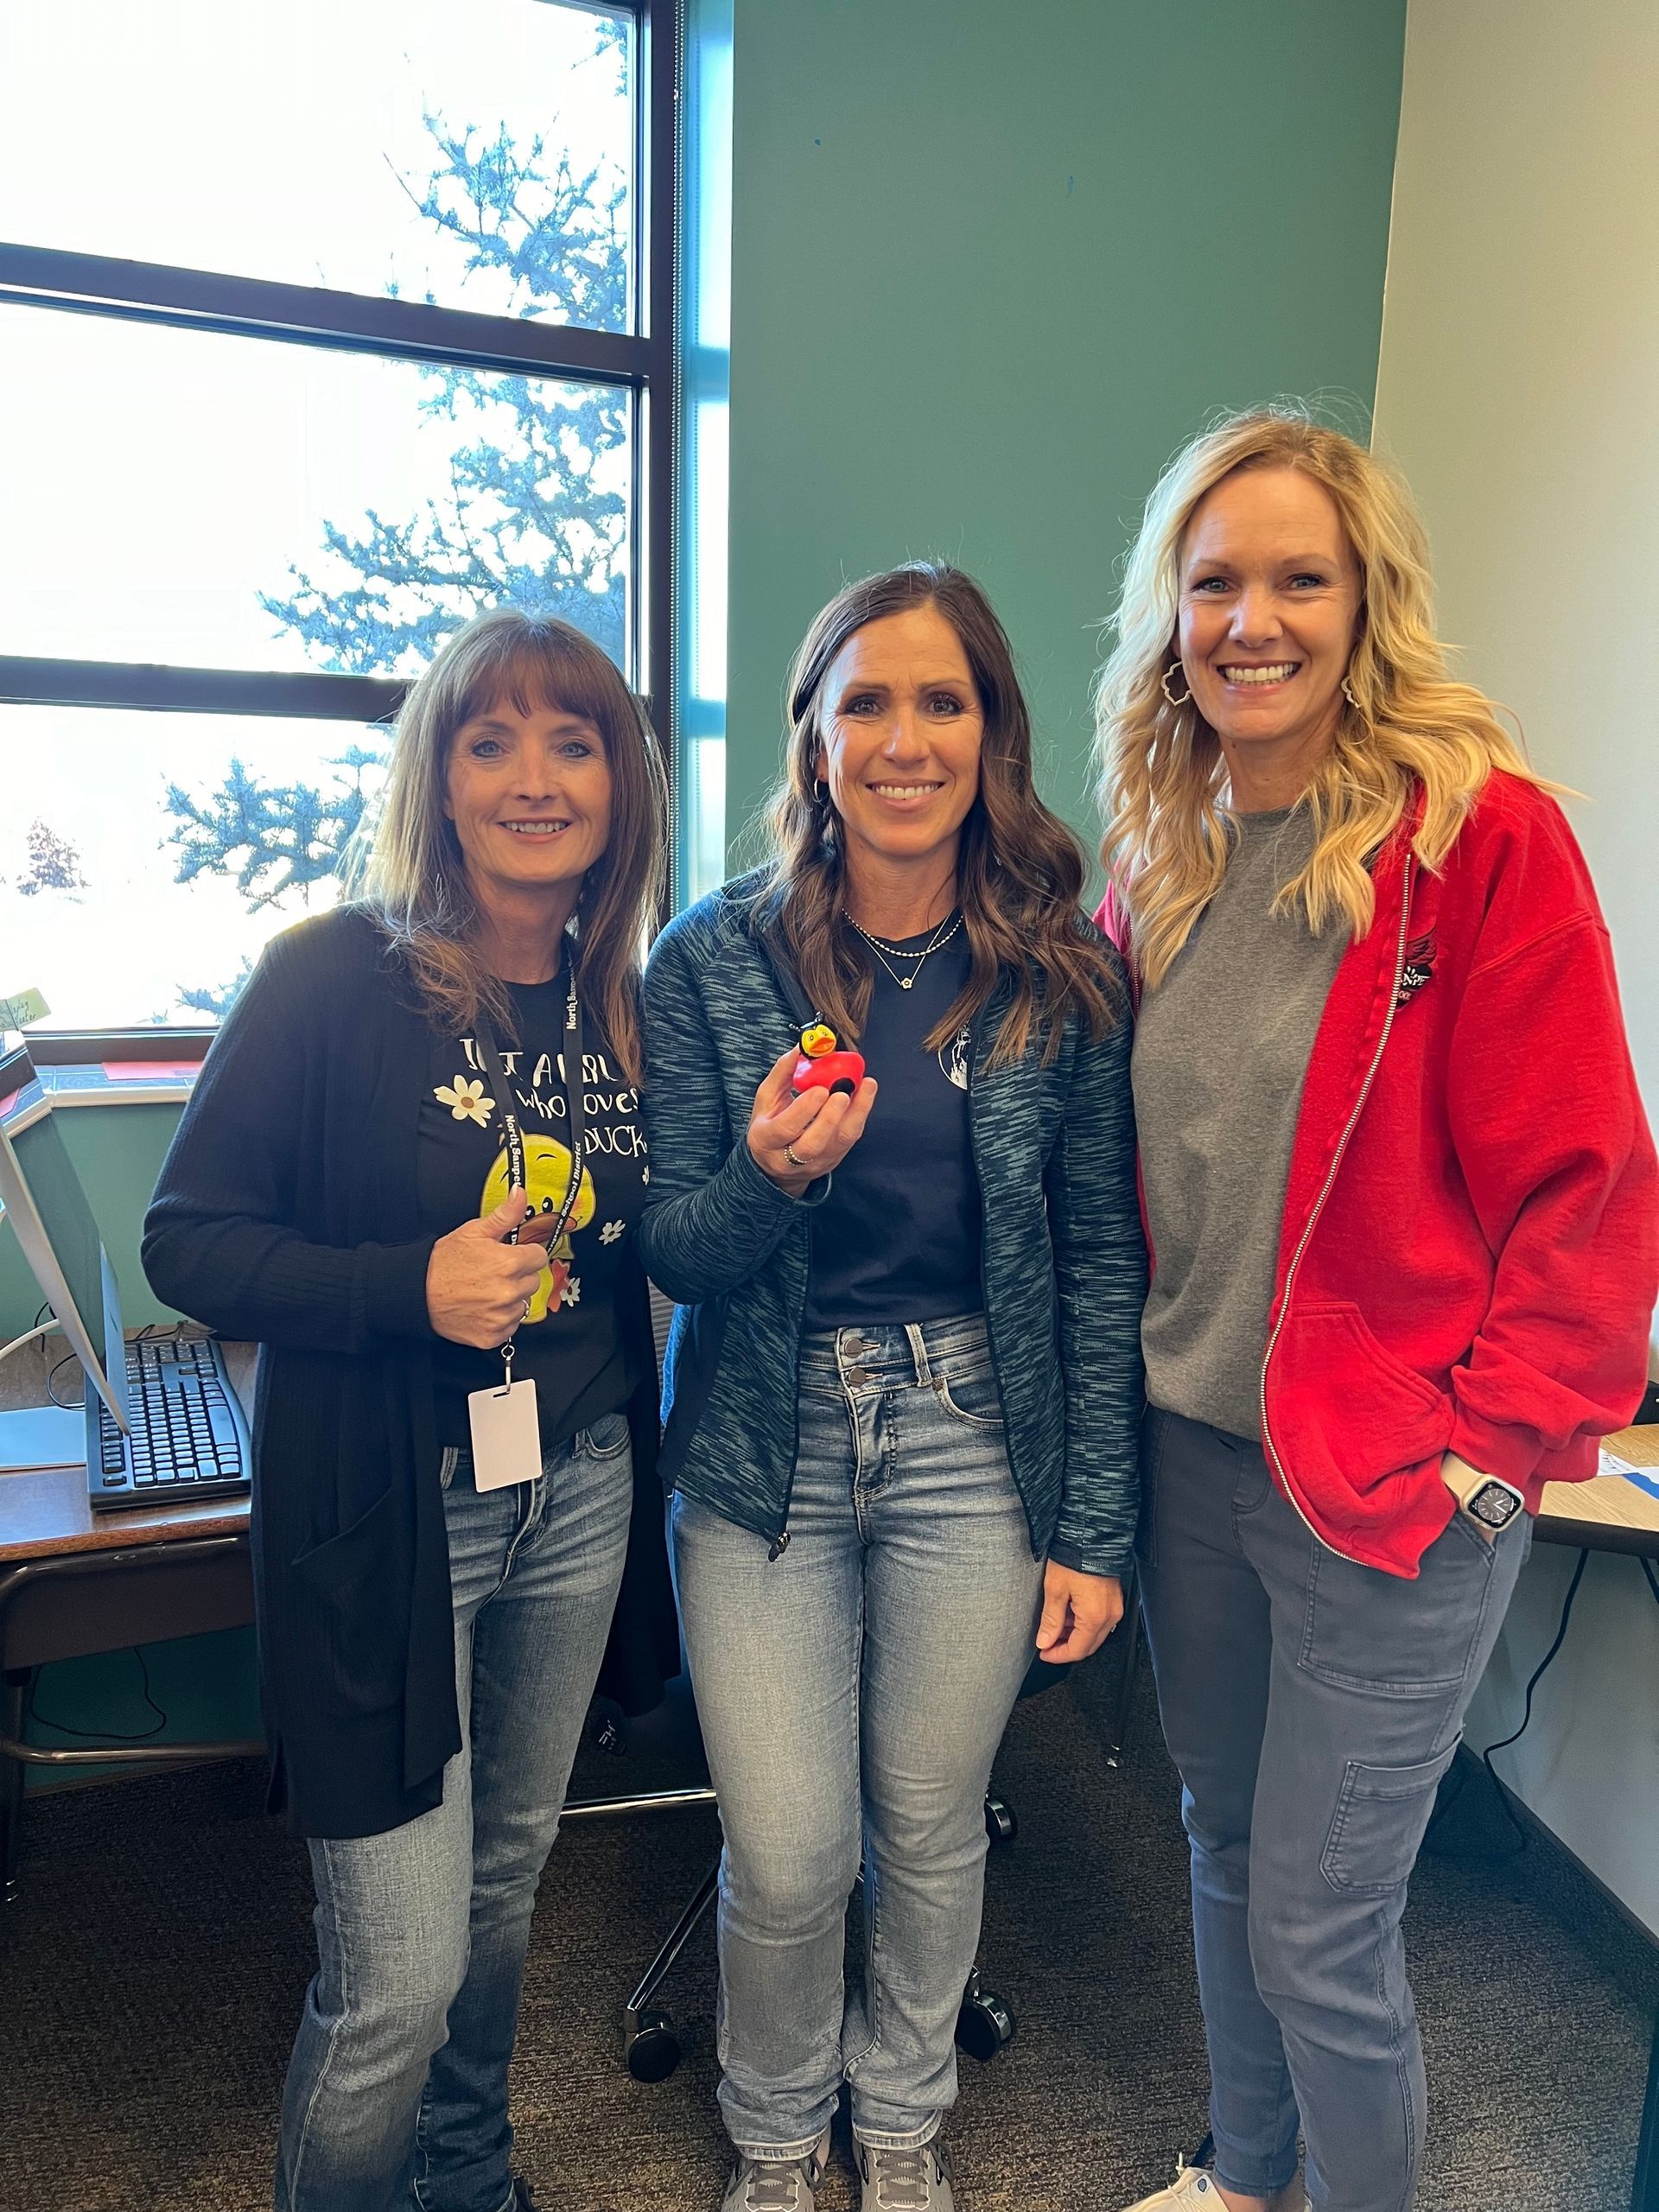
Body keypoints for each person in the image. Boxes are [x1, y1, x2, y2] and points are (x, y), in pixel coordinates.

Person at [1093, 409, 1659, 2212]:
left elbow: (1588, 1192)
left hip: (1386, 1484)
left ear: (1367, 604)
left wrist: (1487, 1458)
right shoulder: (1158, 867)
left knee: (1324, 1928)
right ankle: (1249, 2171)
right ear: (1170, 616)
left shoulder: (1481, 843)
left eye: (1298, 578)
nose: (1252, 620)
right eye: (1215, 582)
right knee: (1224, 1839)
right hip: (1192, 1459)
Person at [142, 608, 678, 2212]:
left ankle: (473, 2179)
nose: (534, 778)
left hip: (575, 1482)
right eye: (491, 741)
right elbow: (191, 1244)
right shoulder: (330, 978)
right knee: (391, 1974)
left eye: (574, 743)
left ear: (621, 785)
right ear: (437, 781)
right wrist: (404, 1289)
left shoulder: (622, 1001)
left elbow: (645, 1242)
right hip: (390, 1508)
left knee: (504, 1885)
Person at [637, 562, 1147, 2212]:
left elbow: (1093, 1262)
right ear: (814, 734)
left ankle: (902, 2117)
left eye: (946, 700)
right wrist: (771, 1180)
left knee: (933, 1829)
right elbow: (681, 1257)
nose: (905, 736)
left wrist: (1096, 1523)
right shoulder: (713, 963)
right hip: (763, 1445)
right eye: (867, 699)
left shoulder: (1059, 974)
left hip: (978, 1439)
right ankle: (780, 2135)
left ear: (992, 732)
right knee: (793, 1854)